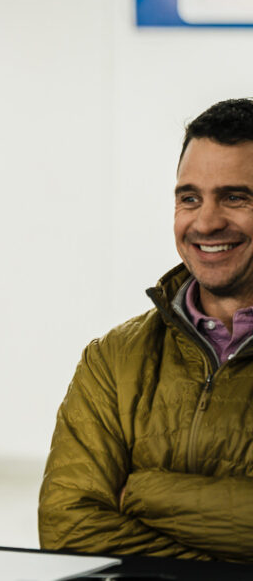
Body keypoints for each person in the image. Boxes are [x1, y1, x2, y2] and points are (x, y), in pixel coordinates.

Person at [39, 98, 253, 563]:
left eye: (236, 197)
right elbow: (67, 526)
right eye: (189, 198)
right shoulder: (113, 358)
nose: (206, 222)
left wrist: (144, 493)